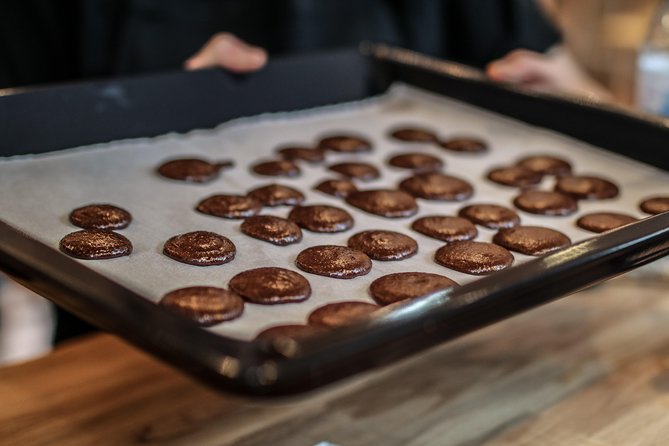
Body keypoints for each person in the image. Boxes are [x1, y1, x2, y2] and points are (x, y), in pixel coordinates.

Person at [0, 0, 615, 361]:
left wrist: (575, 114)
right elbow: (18, 131)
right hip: (128, 362)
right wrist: (139, 104)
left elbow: (573, 83)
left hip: (465, 353)